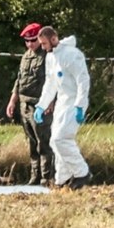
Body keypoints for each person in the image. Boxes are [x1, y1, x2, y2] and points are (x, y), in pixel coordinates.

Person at [33, 26, 92, 189]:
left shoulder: (72, 55)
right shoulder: (50, 57)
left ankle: (82, 172)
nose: (42, 47)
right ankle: (62, 179)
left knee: (61, 139)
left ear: (53, 39)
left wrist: (80, 105)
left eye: (44, 44)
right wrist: (41, 105)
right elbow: (50, 84)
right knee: (55, 142)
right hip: (62, 102)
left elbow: (83, 81)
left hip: (74, 102)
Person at [6, 22, 55, 185]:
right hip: (24, 104)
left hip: (39, 104)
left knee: (43, 142)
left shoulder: (47, 55)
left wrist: (50, 102)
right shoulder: (26, 56)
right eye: (27, 41)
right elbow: (19, 80)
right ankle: (35, 176)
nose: (30, 44)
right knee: (32, 142)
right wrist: (12, 101)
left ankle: (46, 177)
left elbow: (52, 81)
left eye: (33, 40)